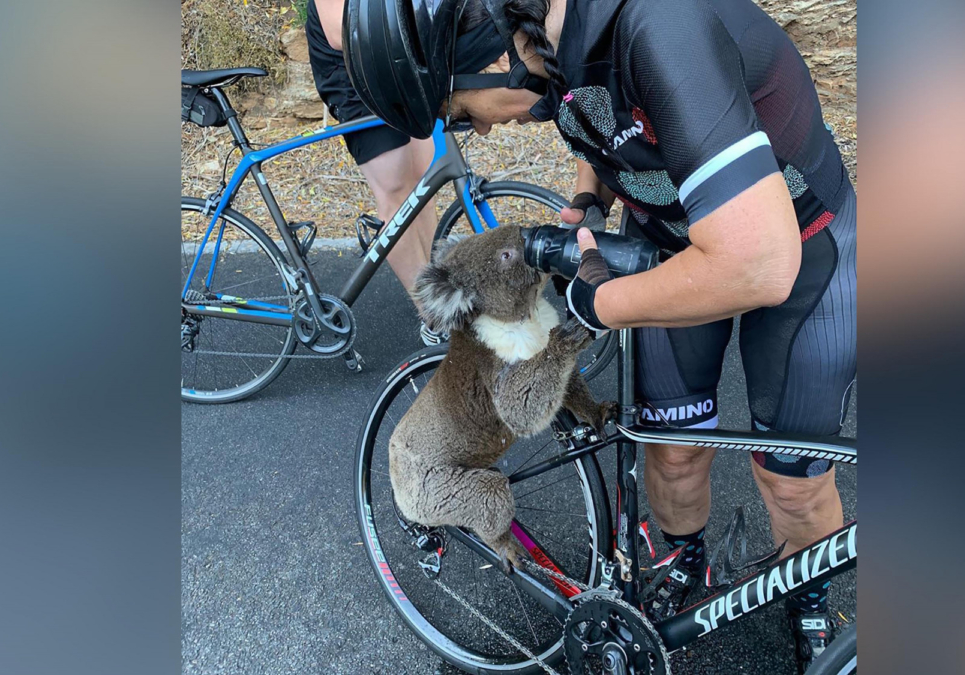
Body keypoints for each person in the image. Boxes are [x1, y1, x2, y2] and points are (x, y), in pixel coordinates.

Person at [344, 0, 856, 669]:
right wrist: (591, 195)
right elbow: (600, 122)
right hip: (669, 241)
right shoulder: (551, 43)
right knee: (671, 451)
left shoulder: (658, 27)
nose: (481, 133)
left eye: (461, 114)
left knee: (791, 480)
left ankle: (807, 594)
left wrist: (598, 303)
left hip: (803, 250)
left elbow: (758, 262)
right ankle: (680, 557)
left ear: (486, 53)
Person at [305, 0, 444, 345]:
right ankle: (434, 317)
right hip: (351, 74)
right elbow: (339, 33)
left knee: (424, 181)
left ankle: (436, 289)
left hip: (394, 66)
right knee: (395, 189)